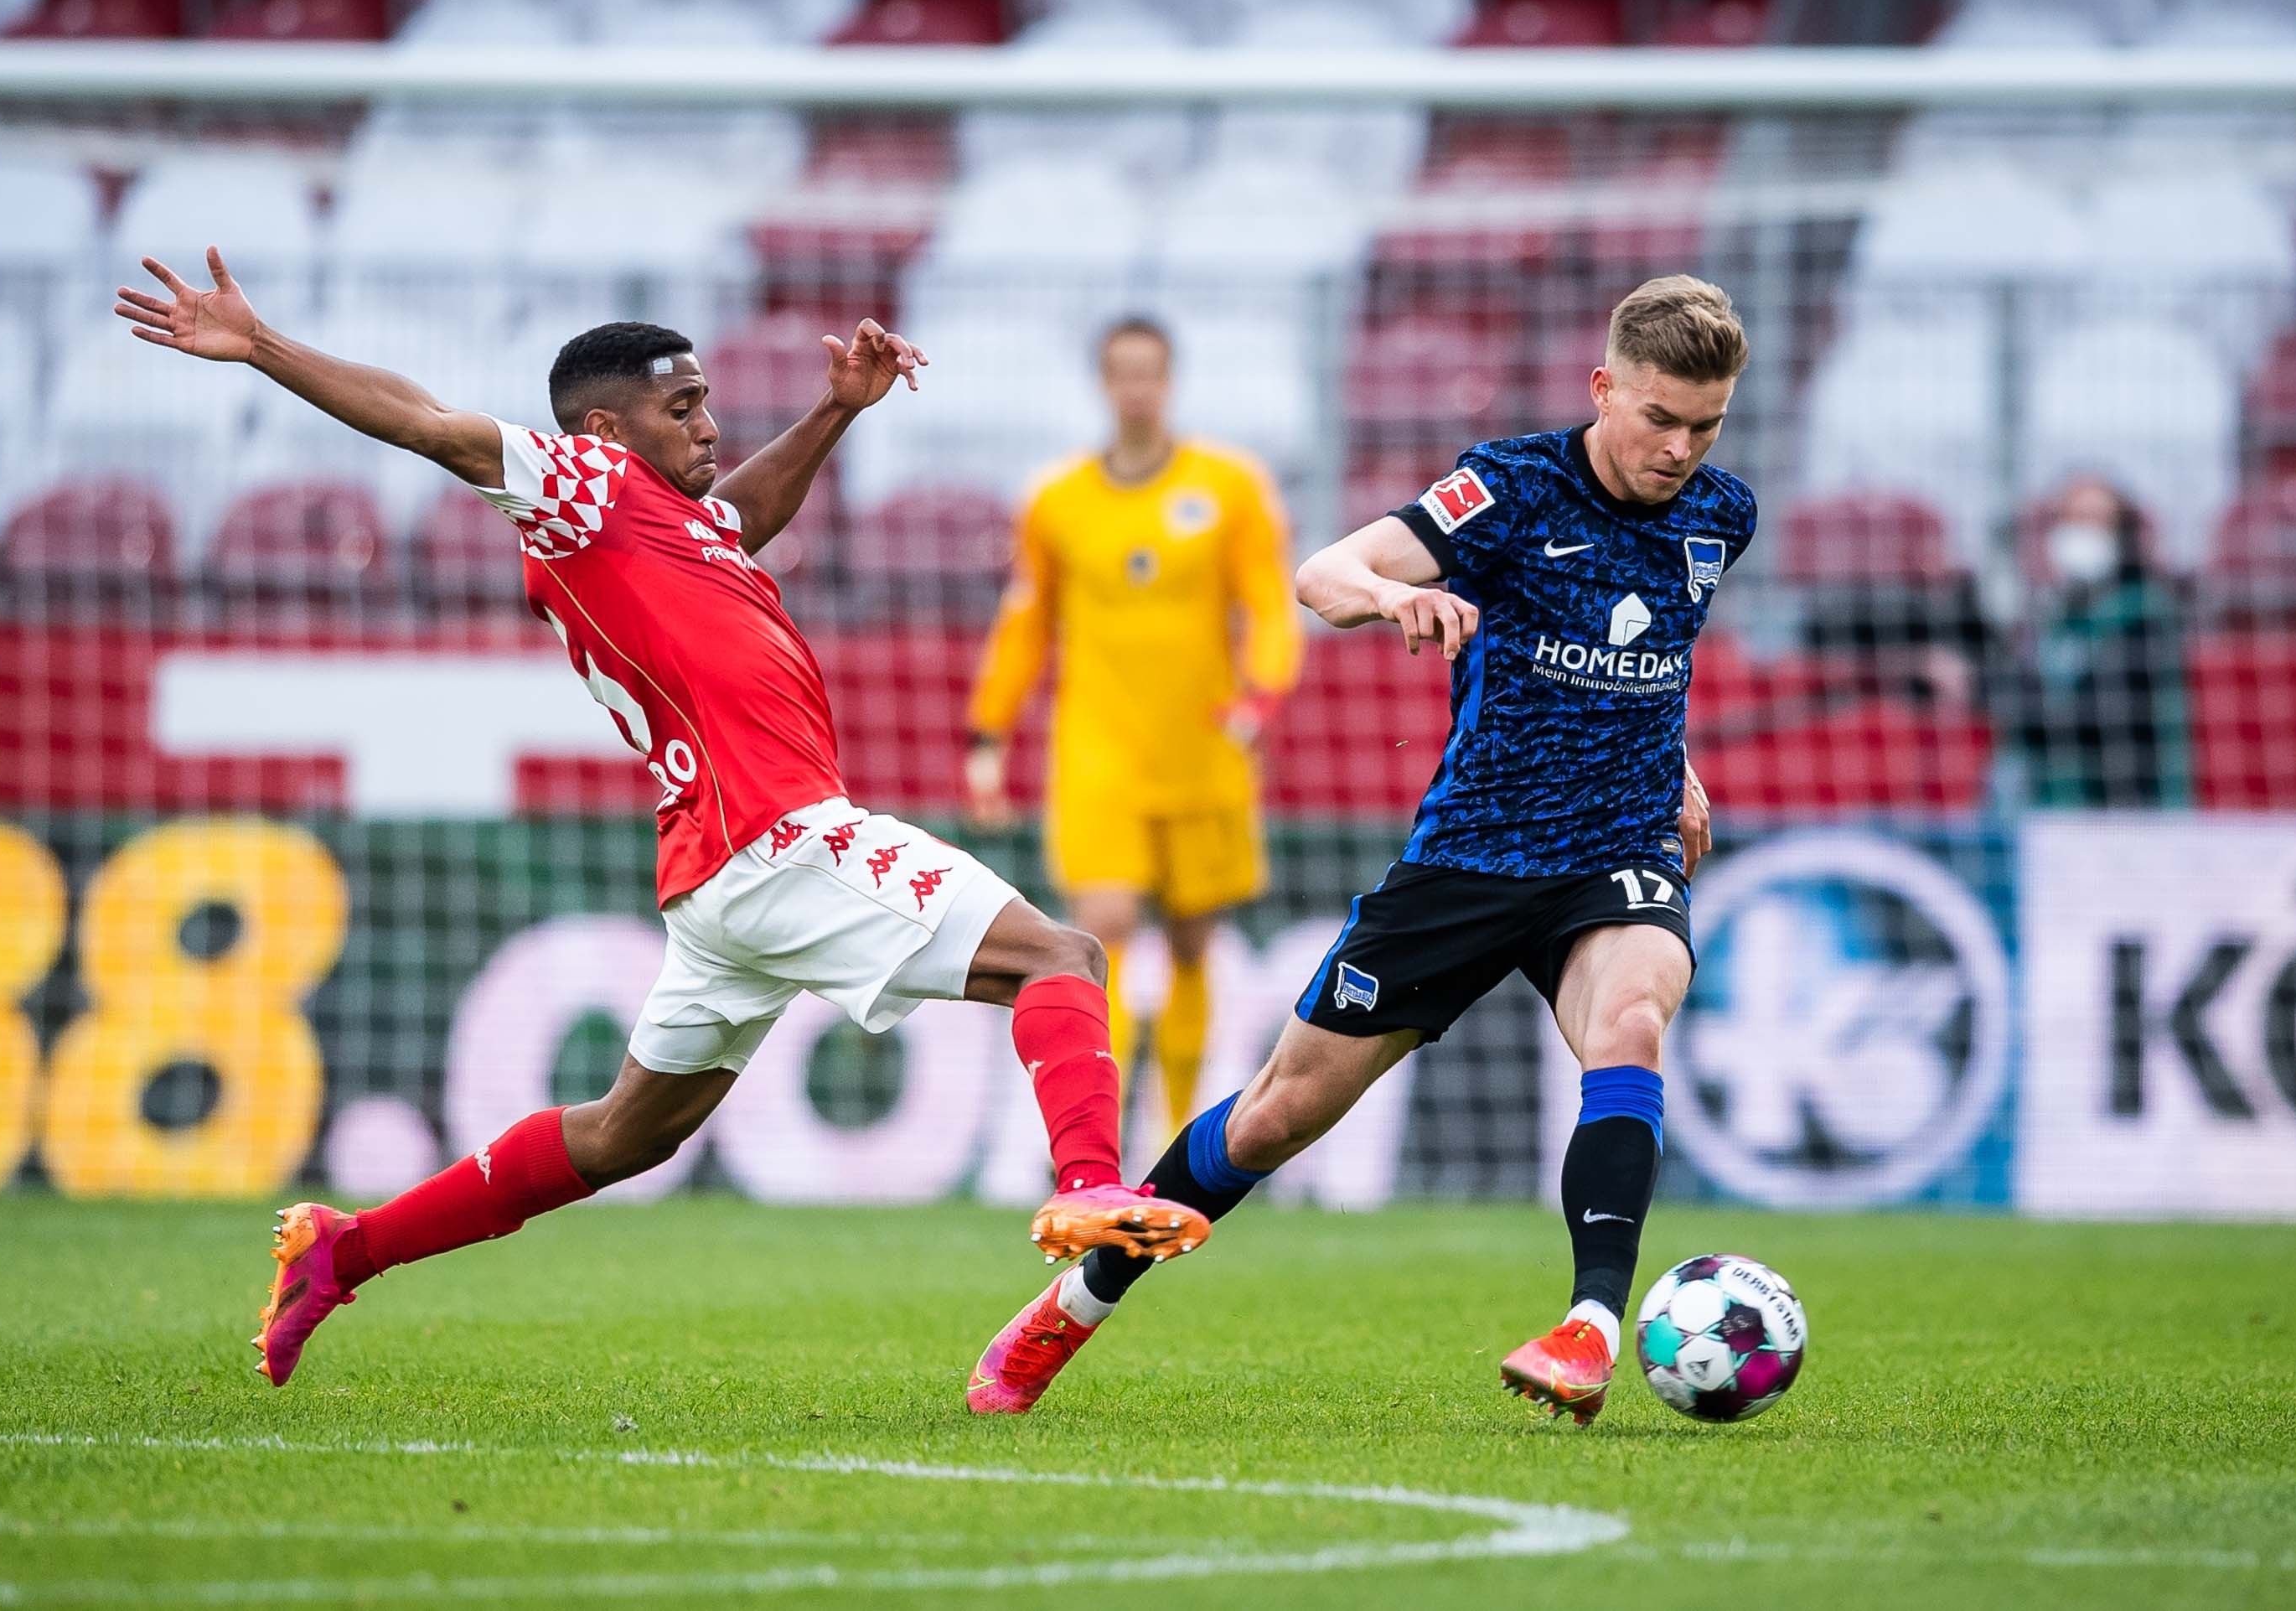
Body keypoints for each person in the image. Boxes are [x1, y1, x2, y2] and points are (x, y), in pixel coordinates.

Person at [111, 247, 1208, 1387]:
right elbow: (433, 423)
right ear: (601, 430)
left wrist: (834, 413)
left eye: (708, 403)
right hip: (779, 839)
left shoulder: (675, 521)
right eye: (682, 408)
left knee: (626, 1133)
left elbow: (745, 517)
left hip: (717, 872)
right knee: (1060, 953)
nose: (710, 425)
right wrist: (266, 345)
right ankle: (1089, 1188)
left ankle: (347, 1250)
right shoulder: (581, 490)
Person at [964, 276, 1747, 1422]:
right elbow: (1319, 574)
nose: (1680, 448)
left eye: (1706, 424)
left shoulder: (1722, 516)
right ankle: (1073, 1306)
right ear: (1603, 387)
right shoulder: (1514, 486)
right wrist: (1392, 599)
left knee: (1631, 1024)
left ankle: (1588, 1325)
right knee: (1278, 1113)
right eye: (1659, 417)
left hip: (1616, 850)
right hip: (1472, 858)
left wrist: (1671, 770)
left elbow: (1653, 660)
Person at [963, 317, 1301, 1139]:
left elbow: (1268, 604)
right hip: (1097, 752)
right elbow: (1024, 623)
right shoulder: (1057, 500)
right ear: (1103, 383)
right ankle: (1097, 1138)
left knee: (1191, 945)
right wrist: (987, 735)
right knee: (1099, 931)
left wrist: (1259, 698)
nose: (1137, 388)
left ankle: (1176, 1128)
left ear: (1169, 379)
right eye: (1122, 373)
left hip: (1202, 750)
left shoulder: (1228, 486)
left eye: (1150, 372)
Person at [1999, 474, 2190, 808]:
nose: (2082, 534)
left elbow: (2106, 713)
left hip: (2124, 806)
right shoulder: (2054, 616)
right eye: (2073, 521)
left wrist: (2015, 708)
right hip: (2051, 806)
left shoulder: (2145, 612)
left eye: (2097, 522)